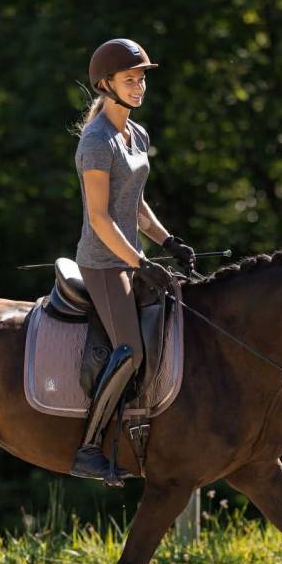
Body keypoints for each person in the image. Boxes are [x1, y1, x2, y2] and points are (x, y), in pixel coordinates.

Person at [69, 38, 196, 481]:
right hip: (103, 263)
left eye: (141, 78)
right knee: (131, 350)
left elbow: (136, 207)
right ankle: (88, 447)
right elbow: (101, 219)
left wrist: (169, 242)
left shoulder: (135, 133)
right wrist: (139, 264)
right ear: (106, 85)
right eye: (130, 79)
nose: (139, 86)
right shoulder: (96, 142)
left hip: (131, 256)